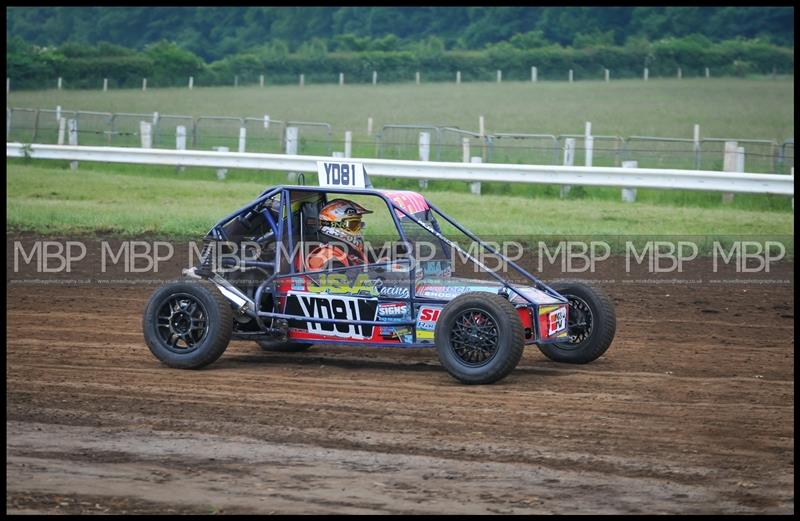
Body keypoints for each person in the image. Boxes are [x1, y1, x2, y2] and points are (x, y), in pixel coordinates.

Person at [305, 199, 372, 271]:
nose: (359, 229)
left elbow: (369, 255)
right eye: (354, 225)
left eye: (360, 224)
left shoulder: (345, 247)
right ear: (333, 225)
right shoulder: (331, 263)